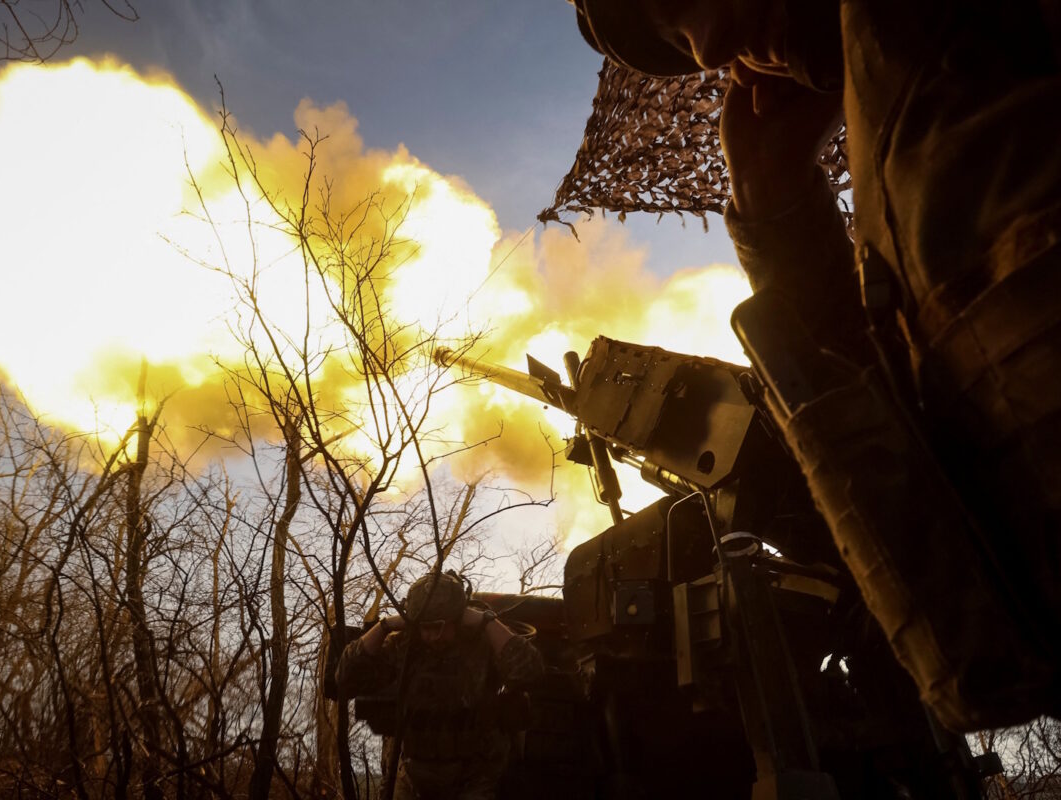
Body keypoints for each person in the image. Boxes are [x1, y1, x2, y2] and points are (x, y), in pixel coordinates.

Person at [569, 0, 1061, 730]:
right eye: (677, 34)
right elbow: (992, 640)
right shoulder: (900, 110)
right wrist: (781, 215)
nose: (709, 51)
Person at [335, 572, 543, 800]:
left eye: (439, 626)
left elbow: (530, 672)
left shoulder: (481, 644)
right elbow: (346, 678)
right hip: (412, 771)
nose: (431, 636)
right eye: (424, 627)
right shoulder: (405, 646)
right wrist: (385, 626)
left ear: (458, 619)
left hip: (473, 774)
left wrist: (487, 621)